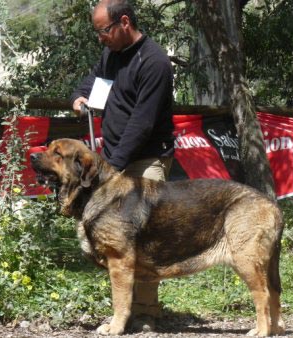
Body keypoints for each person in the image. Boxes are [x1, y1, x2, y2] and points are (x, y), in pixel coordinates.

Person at [69, 0, 175, 330]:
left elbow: (141, 124)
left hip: (146, 161)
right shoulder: (112, 54)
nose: (101, 38)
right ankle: (122, 312)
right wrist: (80, 95)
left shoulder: (154, 62)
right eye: (97, 31)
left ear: (124, 22)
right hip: (115, 161)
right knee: (115, 240)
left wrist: (110, 167)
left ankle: (146, 312)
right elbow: (95, 81)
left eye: (104, 30)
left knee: (143, 236)